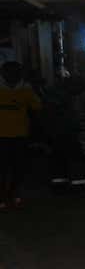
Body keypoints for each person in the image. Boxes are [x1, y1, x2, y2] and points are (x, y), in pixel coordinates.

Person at [0, 61, 41, 209]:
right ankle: (3, 196)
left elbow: (37, 107)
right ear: (3, 73)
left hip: (20, 134)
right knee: (3, 168)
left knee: (18, 167)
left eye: (16, 72)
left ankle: (12, 193)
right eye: (10, 72)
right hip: (2, 136)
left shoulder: (26, 89)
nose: (13, 75)